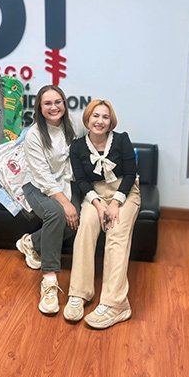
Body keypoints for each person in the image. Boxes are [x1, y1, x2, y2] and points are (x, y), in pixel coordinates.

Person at [63, 99, 141, 329]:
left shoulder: (122, 139)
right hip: (95, 196)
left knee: (116, 233)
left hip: (124, 192)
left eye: (105, 117)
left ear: (111, 121)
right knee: (85, 227)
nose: (100, 121)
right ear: (87, 119)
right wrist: (98, 205)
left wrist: (116, 203)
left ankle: (116, 304)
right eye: (95, 116)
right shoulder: (77, 147)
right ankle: (79, 293)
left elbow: (130, 174)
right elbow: (81, 180)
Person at [15, 85, 81, 315]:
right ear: (40, 108)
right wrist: (66, 203)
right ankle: (49, 281)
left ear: (64, 103)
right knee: (57, 214)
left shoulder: (73, 124)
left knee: (78, 219)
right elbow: (43, 176)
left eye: (58, 102)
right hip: (37, 185)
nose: (54, 107)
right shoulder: (34, 135)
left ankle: (31, 242)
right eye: (48, 103)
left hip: (65, 183)